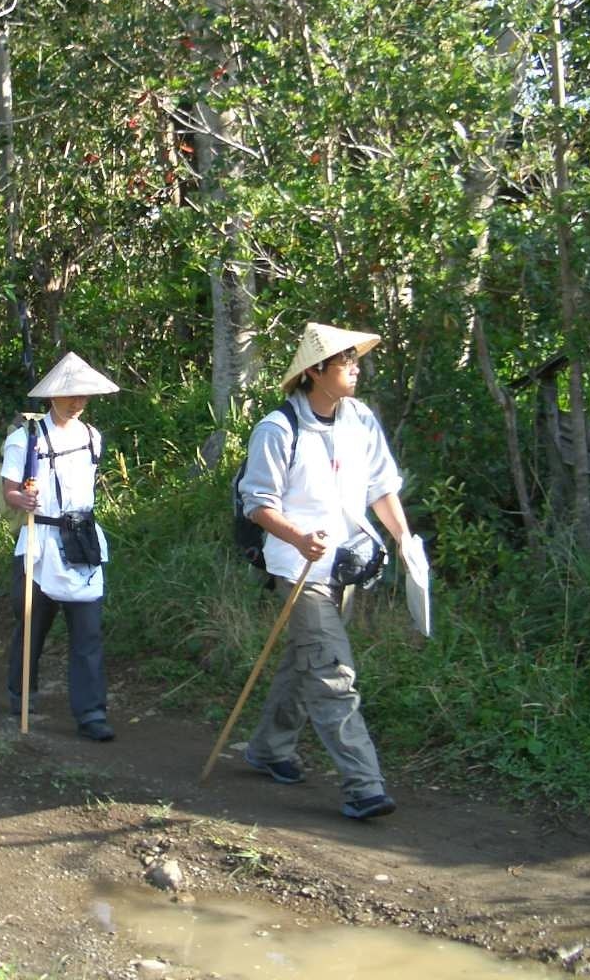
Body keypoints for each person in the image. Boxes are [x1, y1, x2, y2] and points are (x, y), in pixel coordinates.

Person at [235, 321, 418, 821]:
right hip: (299, 568)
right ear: (315, 371)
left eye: (356, 360)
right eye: (345, 362)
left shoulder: (360, 419)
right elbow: (258, 503)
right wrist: (299, 537)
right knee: (333, 670)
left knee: (308, 658)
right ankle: (364, 786)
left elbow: (381, 486)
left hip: (347, 564)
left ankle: (269, 748)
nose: (355, 369)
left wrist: (403, 538)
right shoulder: (277, 429)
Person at [0, 352, 120, 742]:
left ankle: (91, 713)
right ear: (53, 395)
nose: (78, 402)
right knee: (32, 624)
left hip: (83, 541)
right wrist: (22, 499)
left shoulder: (92, 437)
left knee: (88, 630)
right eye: (71, 395)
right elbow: (9, 490)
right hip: (40, 541)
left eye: (83, 395)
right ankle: (21, 693)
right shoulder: (25, 438)